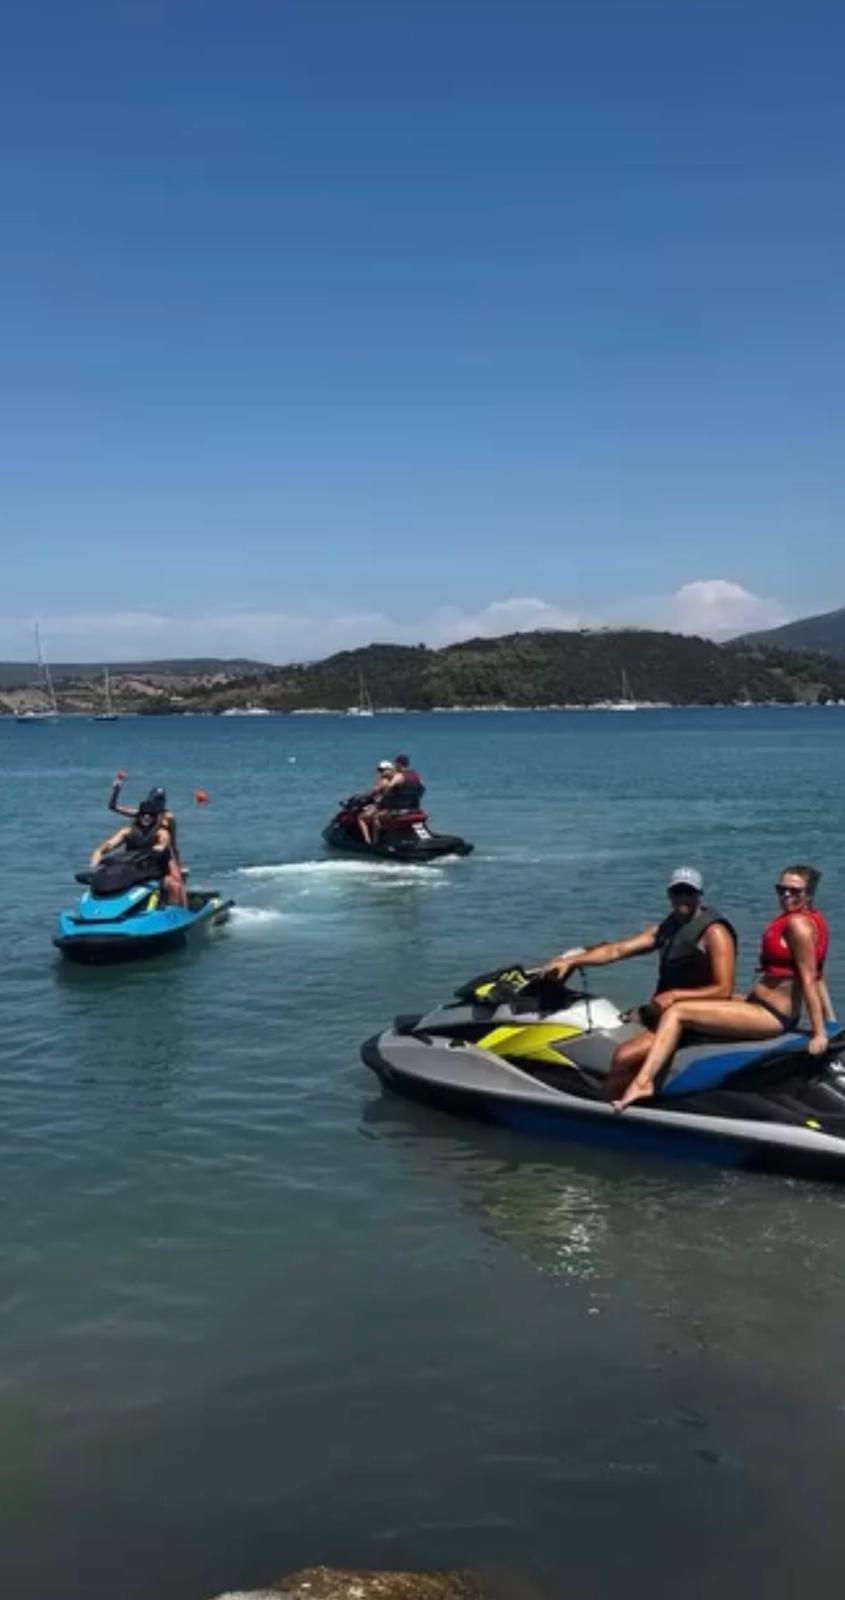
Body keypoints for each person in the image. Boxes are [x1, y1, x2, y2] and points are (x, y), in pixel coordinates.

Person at [613, 863, 832, 1111]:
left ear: (810, 893)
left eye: (795, 891)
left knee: (678, 1012)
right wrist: (828, 1018)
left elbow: (809, 977)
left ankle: (643, 1082)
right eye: (781, 889)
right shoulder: (809, 920)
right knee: (706, 1001)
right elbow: (819, 975)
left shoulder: (798, 926)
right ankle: (651, 1025)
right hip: (760, 1004)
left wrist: (819, 1034)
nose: (786, 896)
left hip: (772, 1016)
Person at [542, 867, 737, 1096]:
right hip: (664, 1011)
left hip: (694, 1016)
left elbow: (724, 989)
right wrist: (572, 961)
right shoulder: (666, 929)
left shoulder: (714, 933)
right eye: (677, 892)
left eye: (688, 892)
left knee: (623, 1056)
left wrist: (676, 996)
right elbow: (616, 950)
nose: (682, 898)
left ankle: (607, 1109)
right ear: (669, 895)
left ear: (699, 895)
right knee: (610, 1026)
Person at [90, 793, 187, 907]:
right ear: (138, 816)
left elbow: (163, 843)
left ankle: (175, 912)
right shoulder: (127, 832)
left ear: (154, 817)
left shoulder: (161, 832)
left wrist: (158, 848)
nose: (146, 817)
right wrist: (96, 859)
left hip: (156, 872)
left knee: (174, 884)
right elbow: (108, 845)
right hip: (132, 873)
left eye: (150, 815)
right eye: (143, 815)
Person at [357, 761, 395, 845]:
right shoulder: (395, 780)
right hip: (391, 807)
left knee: (361, 817)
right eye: (380, 770)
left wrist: (361, 796)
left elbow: (372, 792)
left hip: (382, 807)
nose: (380, 772)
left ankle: (369, 841)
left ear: (389, 770)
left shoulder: (384, 782)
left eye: (382, 770)